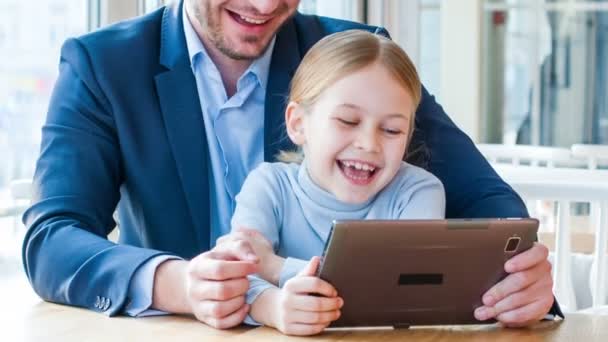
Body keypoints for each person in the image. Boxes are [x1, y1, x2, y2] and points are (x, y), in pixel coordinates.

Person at [22, 0, 561, 331]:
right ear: (296, 121)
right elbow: (52, 239)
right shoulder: (103, 64)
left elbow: (483, 197)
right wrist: (181, 285)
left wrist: (517, 273)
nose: (263, 5)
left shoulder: (357, 53)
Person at [223, 30, 445, 335]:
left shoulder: (418, 192)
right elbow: (235, 278)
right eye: (348, 121)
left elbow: (401, 287)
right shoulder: (268, 186)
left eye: (392, 130)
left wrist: (274, 267)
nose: (369, 144)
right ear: (299, 124)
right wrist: (274, 307)